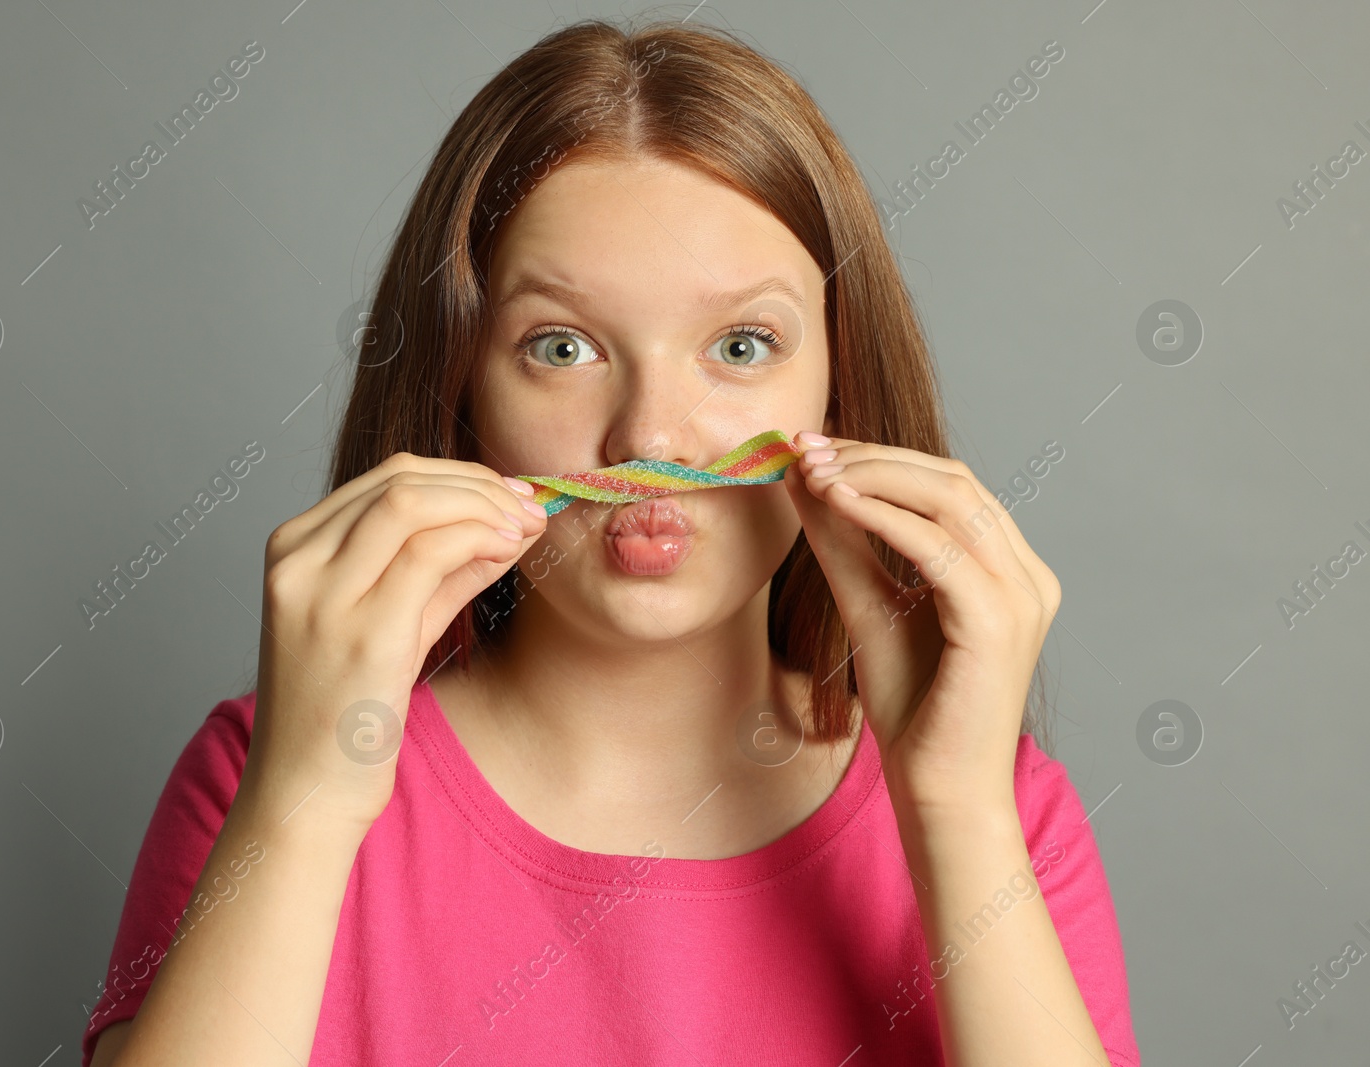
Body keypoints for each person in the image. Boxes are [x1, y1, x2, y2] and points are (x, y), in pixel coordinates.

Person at [82, 16, 1139, 1067]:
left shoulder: (1008, 816)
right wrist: (301, 809)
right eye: (562, 345)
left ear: (836, 383)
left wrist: (956, 814)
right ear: (462, 389)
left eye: (740, 344)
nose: (650, 435)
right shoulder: (257, 778)